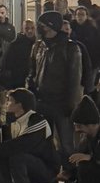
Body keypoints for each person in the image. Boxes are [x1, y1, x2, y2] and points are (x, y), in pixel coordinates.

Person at [29, 11, 82, 159]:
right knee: (43, 141)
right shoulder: (38, 46)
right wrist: (31, 90)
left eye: (43, 25)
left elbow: (74, 79)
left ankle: (71, 174)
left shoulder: (70, 48)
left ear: (51, 26)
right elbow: (32, 70)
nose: (40, 28)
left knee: (66, 142)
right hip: (42, 101)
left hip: (61, 102)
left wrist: (71, 104)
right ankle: (49, 172)